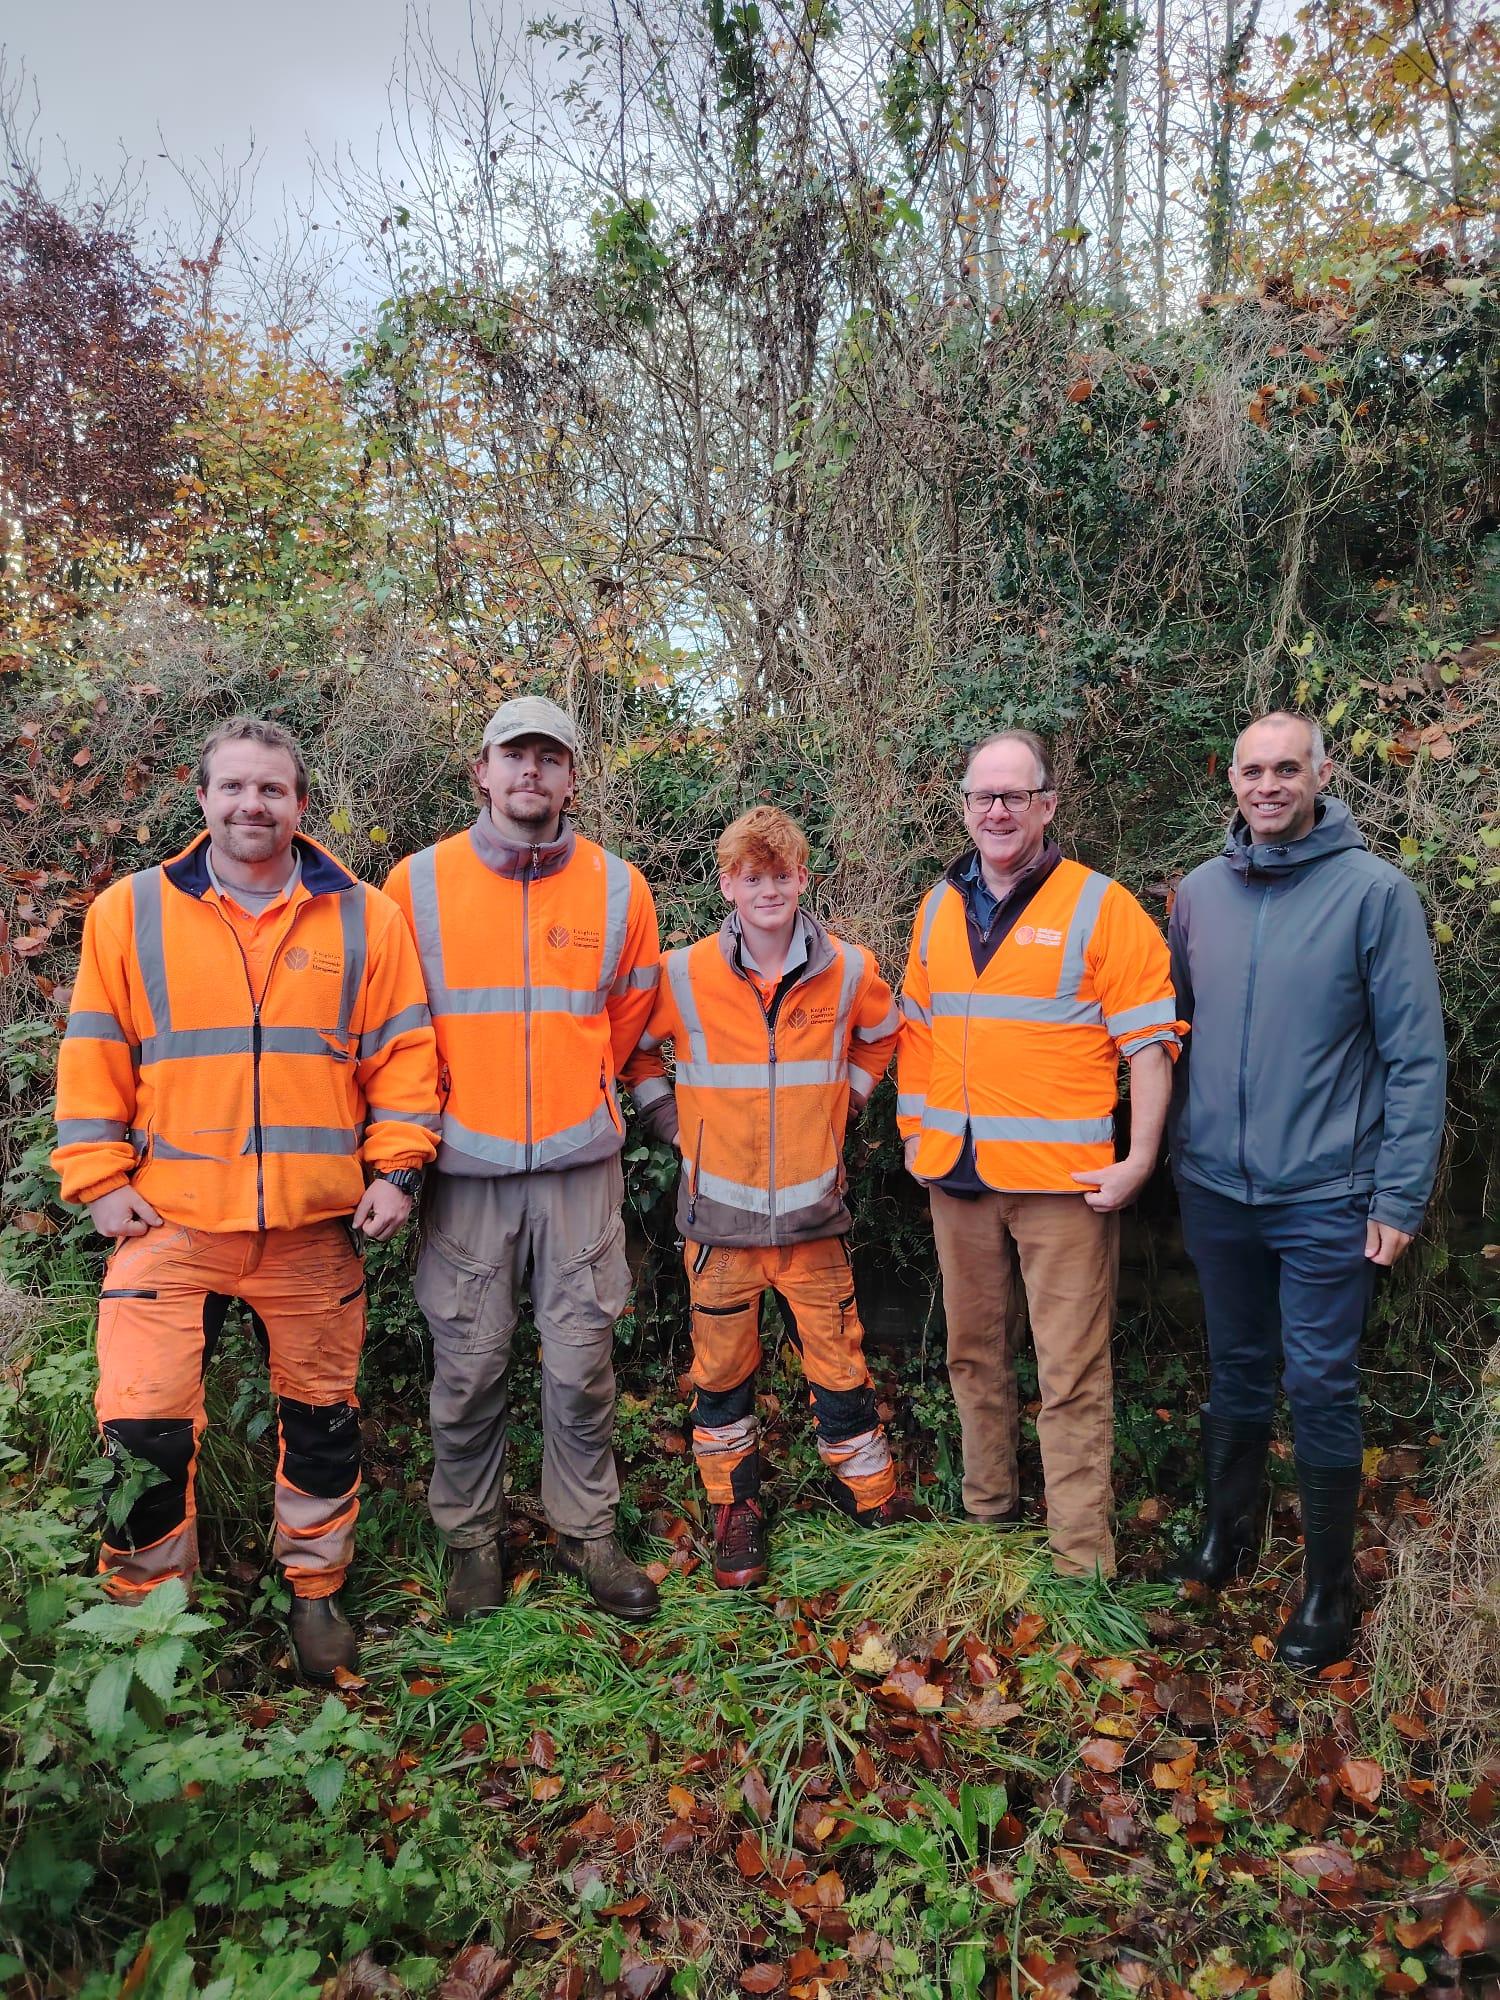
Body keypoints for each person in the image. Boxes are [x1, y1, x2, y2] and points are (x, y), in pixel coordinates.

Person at [52, 717, 440, 1683]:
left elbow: (404, 1058)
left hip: (313, 1229)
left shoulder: (363, 915)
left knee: (321, 1424)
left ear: (301, 803)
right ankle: (150, 1629)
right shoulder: (129, 912)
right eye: (233, 788)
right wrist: (99, 1181)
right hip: (170, 1221)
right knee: (141, 1429)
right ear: (202, 798)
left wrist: (397, 1170)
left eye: (271, 789)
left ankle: (316, 1597)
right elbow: (95, 1052)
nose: (251, 805)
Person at [1167, 711, 1446, 1669]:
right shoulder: (1199, 894)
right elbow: (1177, 1033)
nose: (1268, 785)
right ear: (1232, 782)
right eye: (1252, 770)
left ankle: (1329, 1591)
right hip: (1215, 1187)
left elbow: (1415, 1056)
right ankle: (1225, 1538)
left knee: (1320, 1383)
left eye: (1288, 768)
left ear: (1320, 773)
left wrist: (1398, 1198)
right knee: (1236, 1366)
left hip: (1328, 1192)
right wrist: (1176, 1152)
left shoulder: (1375, 895)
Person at [385, 695, 663, 1624]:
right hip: (464, 1174)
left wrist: (581, 1095)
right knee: (467, 1366)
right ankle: (472, 1542)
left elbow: (623, 1026)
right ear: (483, 770)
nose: (531, 773)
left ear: (573, 776)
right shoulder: (414, 886)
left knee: (582, 1363)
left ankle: (586, 1531)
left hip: (580, 1170)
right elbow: (394, 1031)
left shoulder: (620, 889)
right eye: (515, 756)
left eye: (550, 757)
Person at [896, 730, 1184, 1578]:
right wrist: (916, 1135)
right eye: (982, 796)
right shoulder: (938, 905)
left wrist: (1139, 1159)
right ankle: (989, 1519)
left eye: (1014, 796)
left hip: (1065, 1188)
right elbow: (919, 1028)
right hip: (958, 1177)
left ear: (1047, 806)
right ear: (963, 807)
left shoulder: (1101, 906)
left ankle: (1078, 1561)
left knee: (1071, 1374)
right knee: (973, 1355)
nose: (996, 810)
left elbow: (1150, 1044)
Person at [625, 807, 903, 1587]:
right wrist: (674, 1125)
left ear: (802, 879)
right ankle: (734, 1508)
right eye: (754, 877)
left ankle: (871, 1497)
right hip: (720, 1226)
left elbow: (886, 1033)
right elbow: (638, 1056)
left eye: (782, 875)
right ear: (728, 885)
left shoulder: (849, 970)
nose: (769, 889)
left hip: (815, 1224)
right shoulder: (683, 974)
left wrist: (845, 1102)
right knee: (721, 1374)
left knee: (841, 1368)